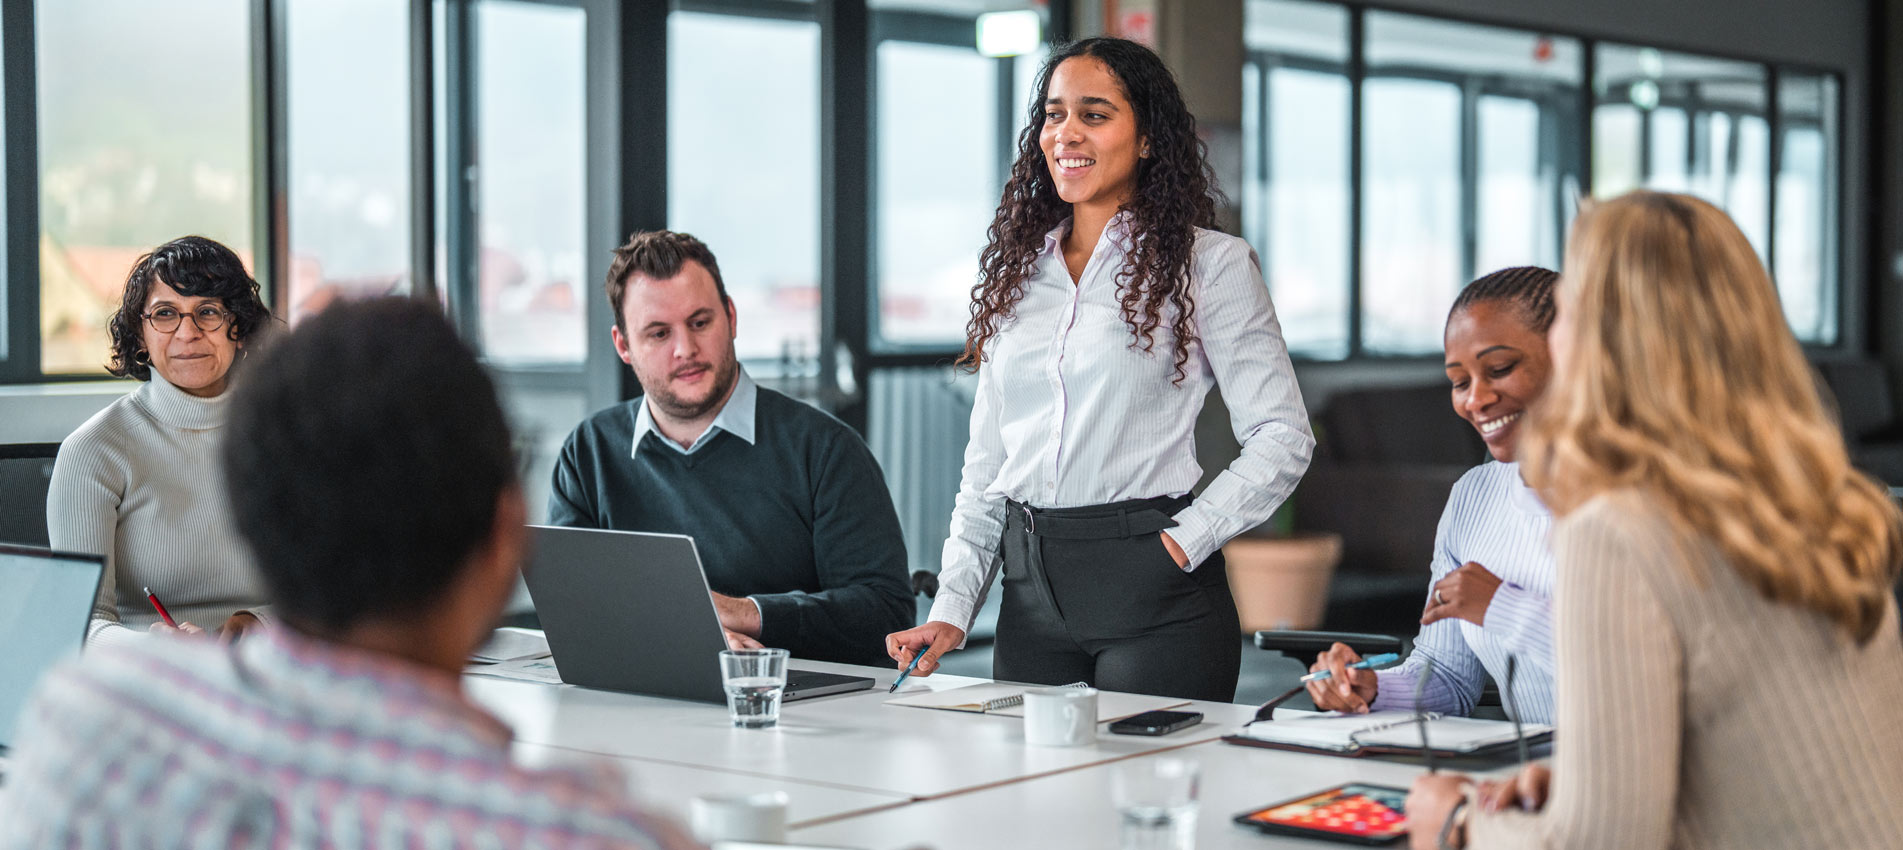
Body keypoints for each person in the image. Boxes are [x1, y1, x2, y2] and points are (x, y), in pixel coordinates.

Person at [0, 298, 700, 849]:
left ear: (250, 516)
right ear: (503, 537)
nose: (188, 332)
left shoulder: (84, 726)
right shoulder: (586, 835)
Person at [1406, 191, 1903, 849]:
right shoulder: (1808, 493)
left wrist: (1455, 822)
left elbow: (1600, 844)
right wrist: (1581, 777)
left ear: (1603, 336)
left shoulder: (1615, 528)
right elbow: (1761, 740)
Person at [885, 37, 1313, 702]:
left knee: (1143, 800)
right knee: (1031, 801)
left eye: (1094, 114)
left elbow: (1282, 436)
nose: (1066, 134)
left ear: (1146, 139)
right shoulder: (1016, 275)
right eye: (1053, 115)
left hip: (1156, 596)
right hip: (1030, 601)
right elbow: (988, 467)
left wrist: (1184, 543)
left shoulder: (1210, 265)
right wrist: (951, 606)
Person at [549, 230, 913, 668]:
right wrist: (697, 633)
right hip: (635, 705)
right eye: (659, 333)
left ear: (731, 318)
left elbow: (886, 616)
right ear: (624, 346)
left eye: (700, 323)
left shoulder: (826, 451)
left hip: (794, 712)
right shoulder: (588, 453)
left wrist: (745, 614)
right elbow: (574, 611)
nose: (686, 349)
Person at [1307, 267, 1560, 724]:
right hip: (1530, 777)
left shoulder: (1639, 496)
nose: (1475, 400)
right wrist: (1372, 687)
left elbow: (1644, 669)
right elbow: (1447, 674)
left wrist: (1501, 607)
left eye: (1499, 370)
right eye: (1460, 382)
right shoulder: (1473, 497)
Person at [48, 235, 276, 645]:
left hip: (271, 670)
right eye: (165, 314)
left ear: (238, 327)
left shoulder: (287, 436)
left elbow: (336, 592)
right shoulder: (93, 452)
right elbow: (81, 624)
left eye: (208, 311)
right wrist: (157, 651)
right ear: (140, 334)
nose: (187, 333)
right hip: (146, 680)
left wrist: (261, 622)